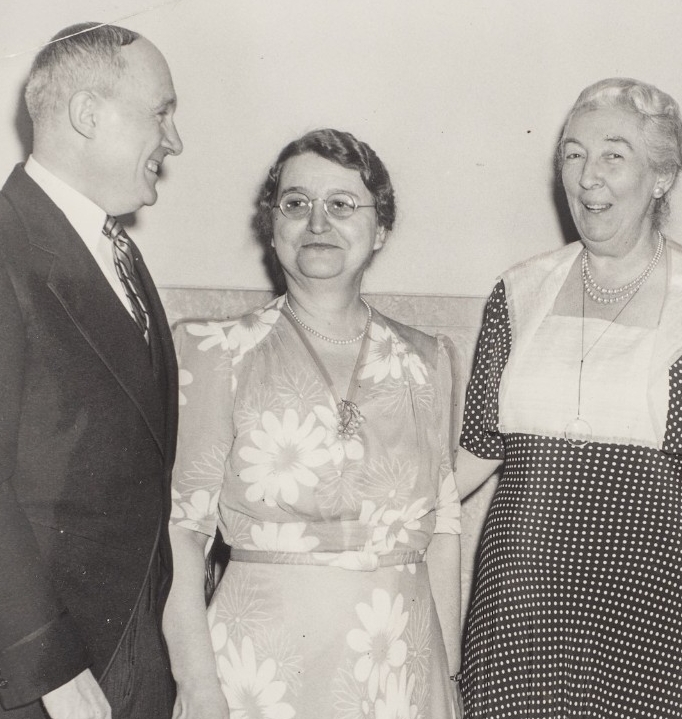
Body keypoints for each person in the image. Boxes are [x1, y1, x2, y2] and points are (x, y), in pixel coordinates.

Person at [455, 77, 682, 719]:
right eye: (572, 154)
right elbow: (474, 457)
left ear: (661, 176)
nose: (587, 176)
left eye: (612, 155)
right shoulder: (520, 292)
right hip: (520, 609)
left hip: (654, 615)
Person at [162, 129, 462, 719]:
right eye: (296, 203)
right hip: (260, 675)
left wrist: (444, 676)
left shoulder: (427, 360)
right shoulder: (216, 351)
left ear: (381, 230)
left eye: (342, 205)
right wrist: (197, 685)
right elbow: (181, 532)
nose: (317, 222)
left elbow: (444, 529)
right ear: (272, 225)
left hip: (398, 668)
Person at [0, 22, 183, 719]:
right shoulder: (6, 241)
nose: (175, 141)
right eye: (161, 112)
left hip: (128, 649)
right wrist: (49, 664)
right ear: (87, 114)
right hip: (43, 671)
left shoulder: (117, 249)